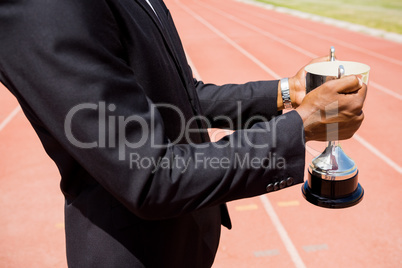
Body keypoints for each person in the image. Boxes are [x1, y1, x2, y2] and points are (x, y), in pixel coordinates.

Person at [0, 0, 366, 267]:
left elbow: (182, 96)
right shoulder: (45, 9)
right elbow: (150, 176)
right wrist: (297, 127)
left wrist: (289, 92)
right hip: (137, 253)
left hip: (184, 237)